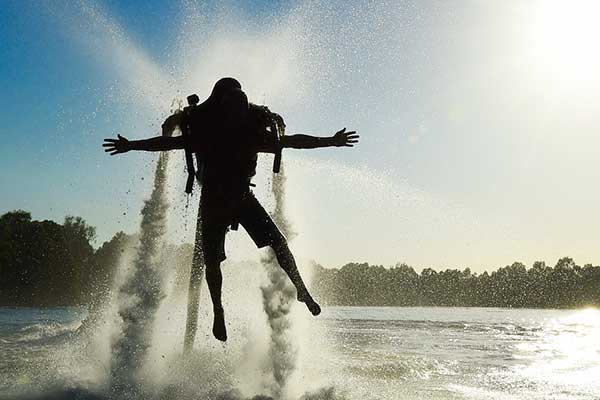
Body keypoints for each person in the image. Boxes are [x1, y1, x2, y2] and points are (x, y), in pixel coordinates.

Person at [103, 78, 359, 341]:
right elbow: (167, 143)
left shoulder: (252, 133)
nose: (237, 114)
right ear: (223, 109)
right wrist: (131, 145)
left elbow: (291, 141)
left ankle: (302, 290)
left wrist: (331, 140)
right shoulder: (205, 133)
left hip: (243, 197)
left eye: (241, 109)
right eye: (232, 109)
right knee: (212, 261)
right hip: (213, 201)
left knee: (280, 244)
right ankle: (218, 309)